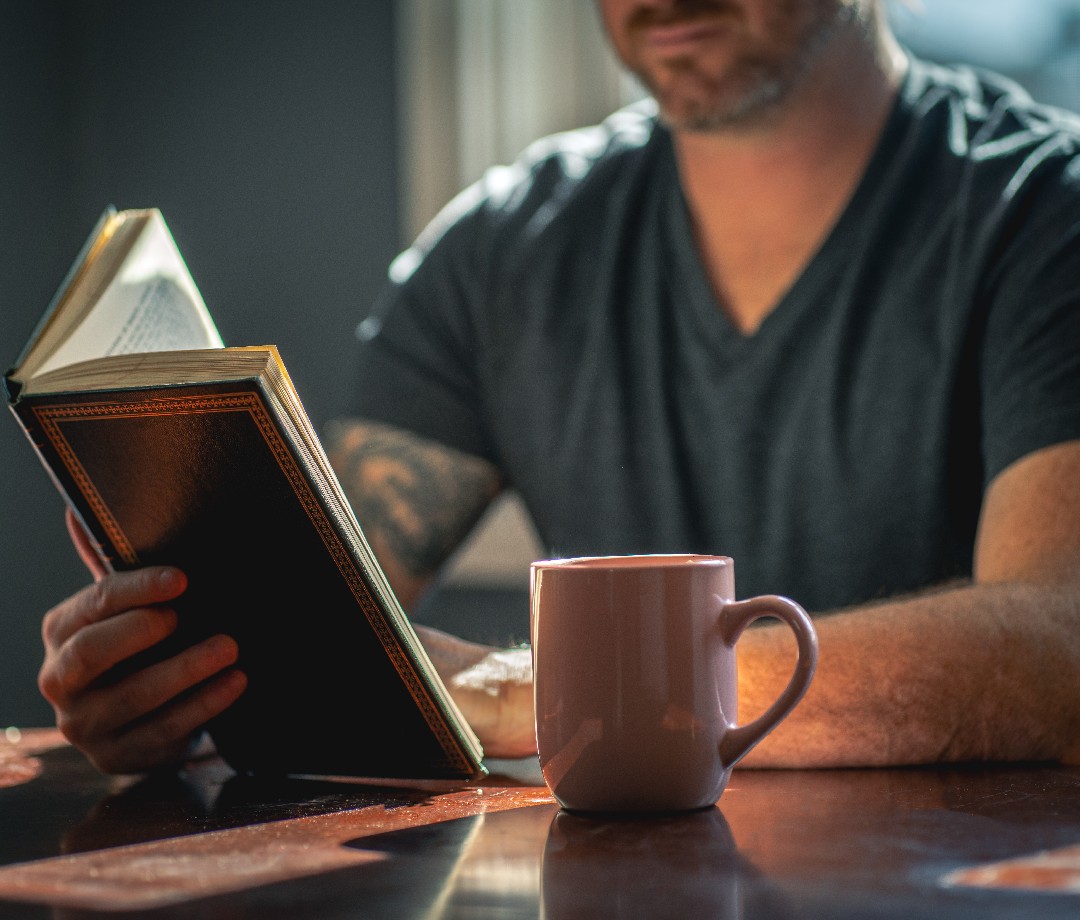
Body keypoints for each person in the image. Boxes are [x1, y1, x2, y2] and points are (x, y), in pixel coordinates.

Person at [39, 0, 1080, 775]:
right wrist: (177, 681)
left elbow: (1061, 644)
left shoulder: (1043, 214)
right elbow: (331, 617)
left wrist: (532, 693)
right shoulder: (503, 251)